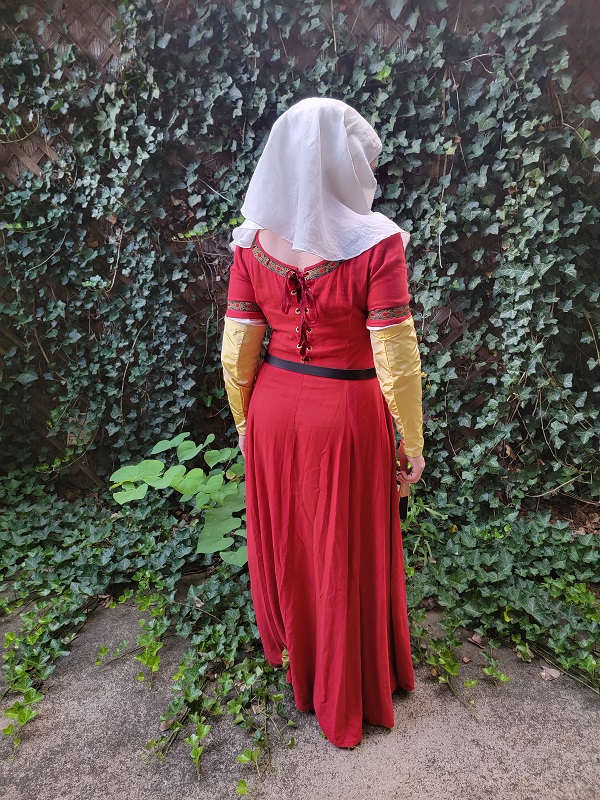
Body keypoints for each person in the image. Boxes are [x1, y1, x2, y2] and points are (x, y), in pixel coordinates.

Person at [221, 97, 425, 749]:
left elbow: (237, 350)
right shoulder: (378, 244)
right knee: (343, 542)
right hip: (346, 416)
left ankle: (305, 663)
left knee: (299, 539)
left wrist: (245, 423)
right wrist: (412, 441)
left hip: (276, 411)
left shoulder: (252, 241)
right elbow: (396, 356)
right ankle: (351, 679)